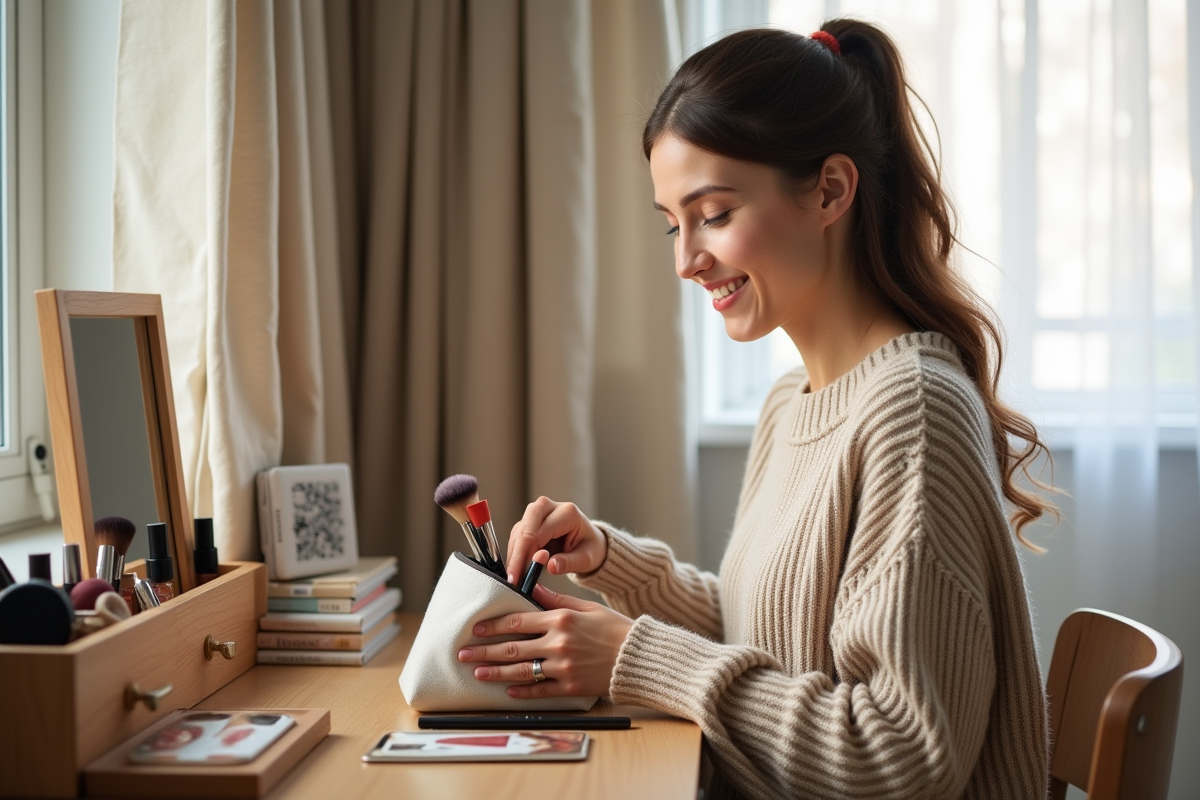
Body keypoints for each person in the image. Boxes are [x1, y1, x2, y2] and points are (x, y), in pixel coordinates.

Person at [456, 20, 1052, 800]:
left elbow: (897, 757)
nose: (685, 260)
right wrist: (608, 560)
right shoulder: (793, 403)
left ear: (831, 190)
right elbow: (764, 633)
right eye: (674, 224)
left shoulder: (912, 412)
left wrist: (631, 657)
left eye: (714, 214)